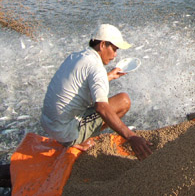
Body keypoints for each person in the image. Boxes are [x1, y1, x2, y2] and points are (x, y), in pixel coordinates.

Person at [41, 24, 152, 160]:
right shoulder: (96, 67)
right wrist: (131, 137)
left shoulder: (76, 57)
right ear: (102, 45)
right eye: (114, 49)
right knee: (123, 101)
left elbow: (81, 85)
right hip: (63, 131)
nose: (115, 55)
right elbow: (101, 108)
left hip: (48, 123)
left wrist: (110, 76)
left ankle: (75, 134)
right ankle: (76, 140)